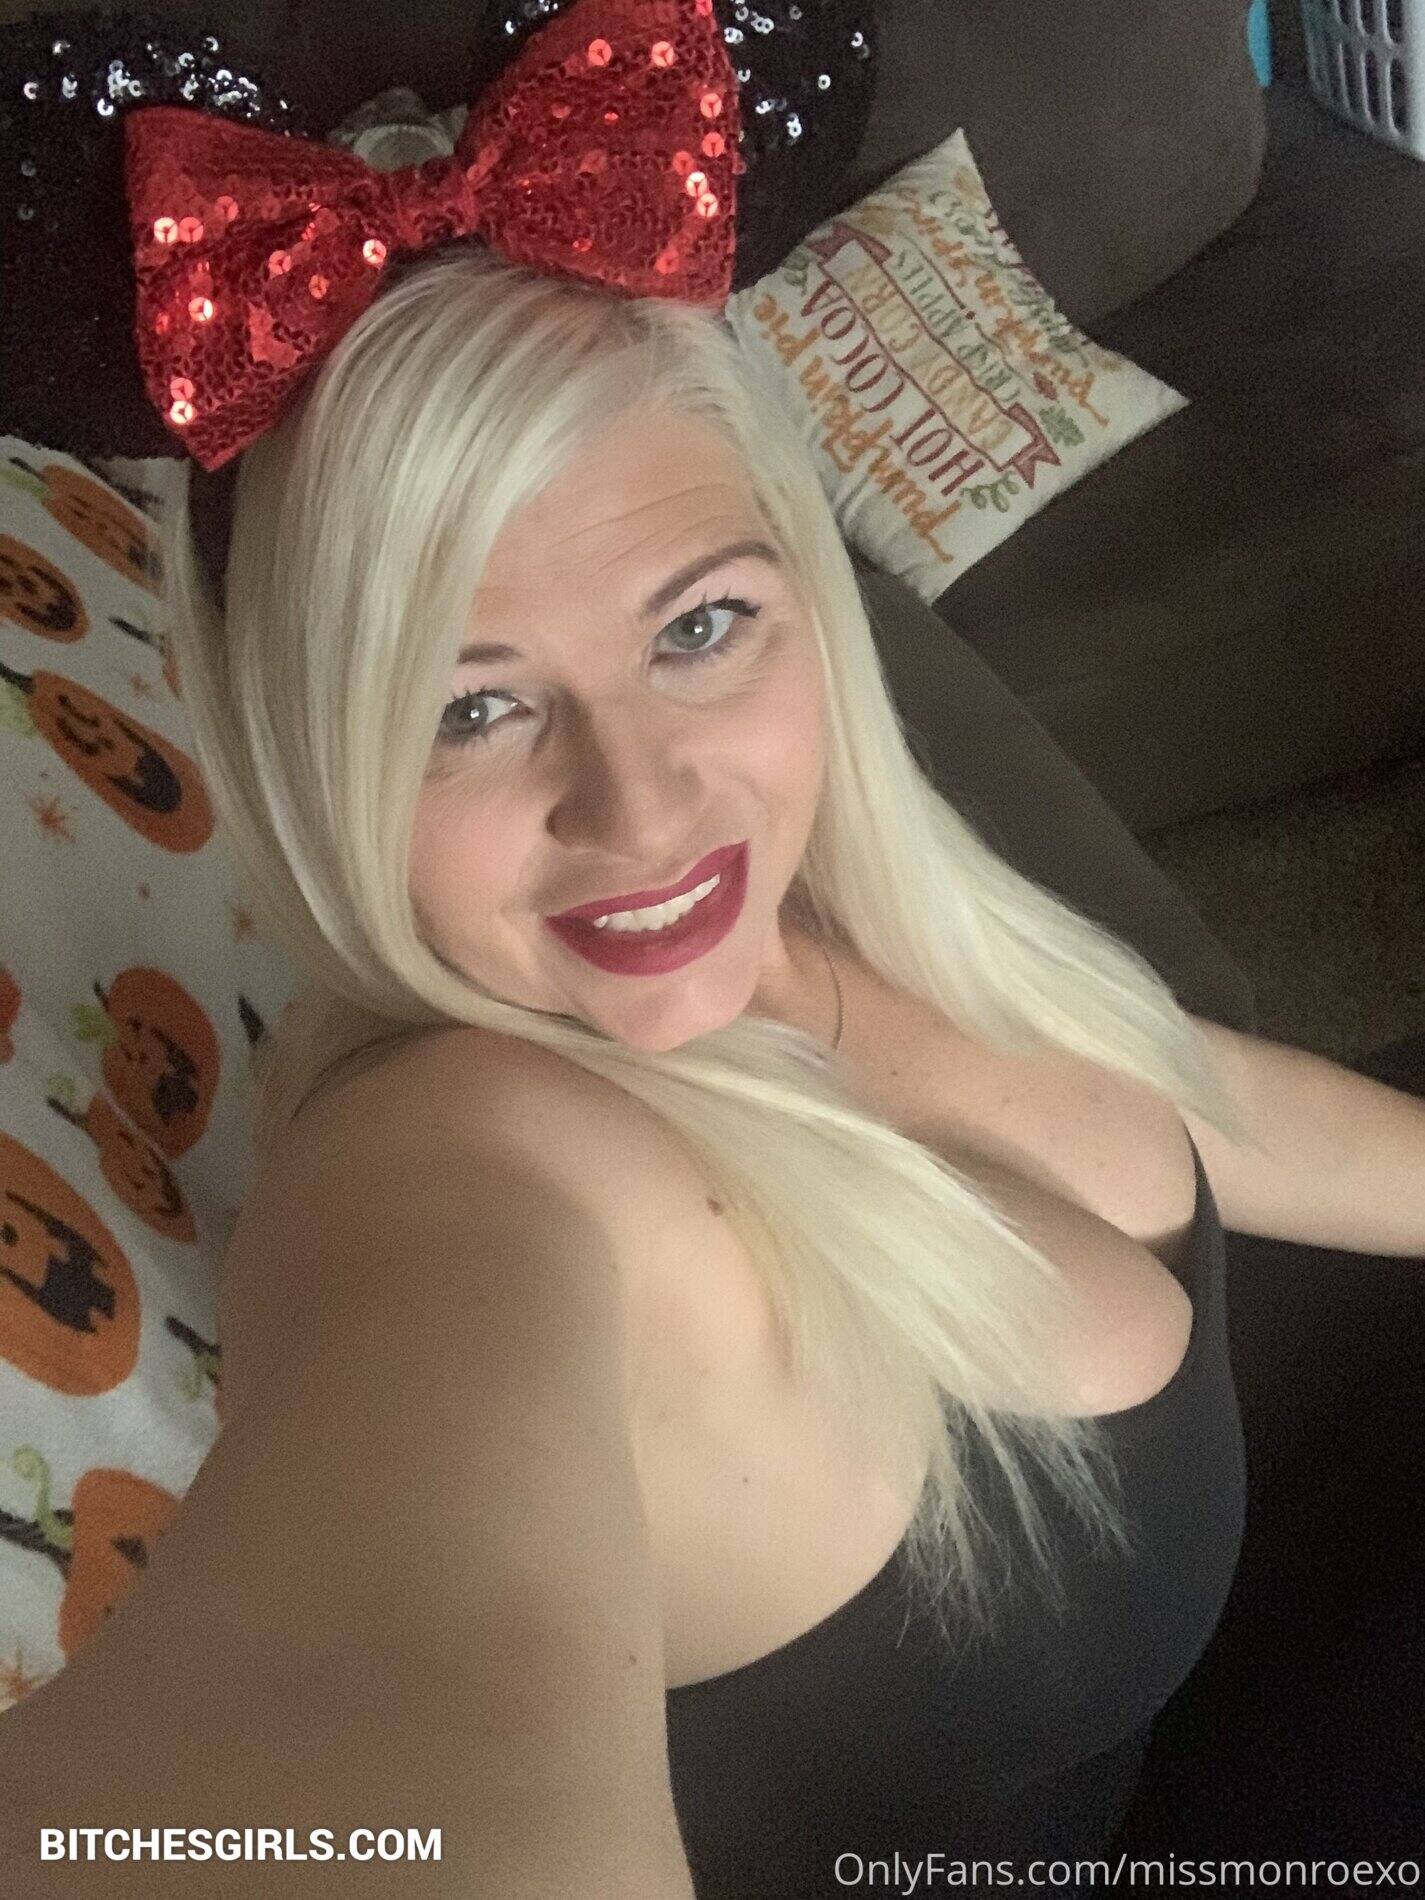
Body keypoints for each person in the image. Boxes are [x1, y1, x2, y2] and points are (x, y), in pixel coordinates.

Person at [0, 2, 1284, 1894]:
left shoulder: (820, 915)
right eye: (468, 709)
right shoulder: (453, 1168)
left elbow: (1211, 1096)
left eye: (697, 627)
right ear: (303, 757)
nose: (641, 808)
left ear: (806, 589)